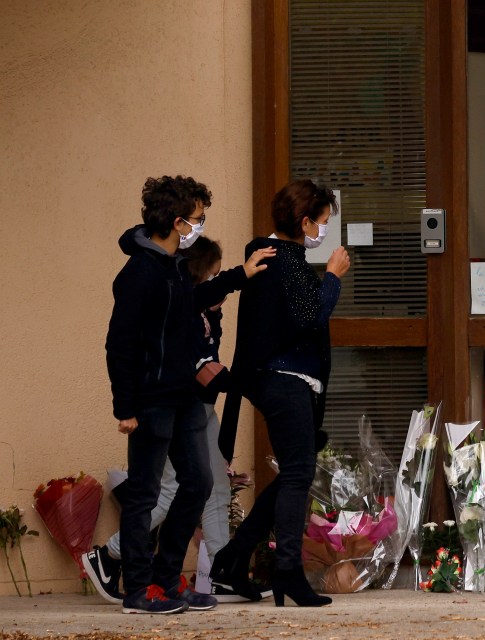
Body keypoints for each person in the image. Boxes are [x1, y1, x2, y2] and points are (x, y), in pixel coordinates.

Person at [105, 176, 274, 614]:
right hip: (151, 401)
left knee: (197, 482)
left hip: (183, 399)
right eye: (198, 219)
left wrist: (240, 275)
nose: (201, 226)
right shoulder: (138, 273)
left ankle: (167, 580)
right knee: (144, 494)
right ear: (178, 221)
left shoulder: (176, 266)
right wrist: (124, 406)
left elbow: (195, 299)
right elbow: (119, 343)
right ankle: (138, 591)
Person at [214, 179, 351, 607]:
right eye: (323, 223)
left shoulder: (283, 256)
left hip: (289, 380)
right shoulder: (280, 259)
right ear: (304, 221)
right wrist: (331, 277)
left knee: (296, 471)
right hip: (283, 379)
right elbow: (311, 315)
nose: (324, 231)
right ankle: (287, 571)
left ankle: (234, 559)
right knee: (297, 474)